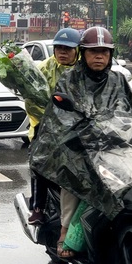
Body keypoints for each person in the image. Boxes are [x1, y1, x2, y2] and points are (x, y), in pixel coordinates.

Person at [30, 26, 132, 259]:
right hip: (77, 144)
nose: (99, 56)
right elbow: (60, 115)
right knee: (74, 176)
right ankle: (65, 230)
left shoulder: (118, 80)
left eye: (104, 52)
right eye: (93, 52)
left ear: (110, 55)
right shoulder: (70, 79)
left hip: (110, 142)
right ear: (83, 53)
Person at [26, 28, 80, 226]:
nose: (62, 52)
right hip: (47, 125)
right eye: (59, 48)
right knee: (40, 162)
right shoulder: (45, 68)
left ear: (78, 50)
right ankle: (38, 207)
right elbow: (32, 99)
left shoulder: (83, 70)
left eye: (68, 48)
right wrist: (47, 120)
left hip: (80, 126)